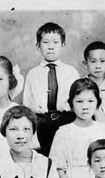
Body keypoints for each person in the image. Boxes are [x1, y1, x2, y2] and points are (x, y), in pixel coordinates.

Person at [23, 22, 79, 156]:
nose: (51, 47)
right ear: (38, 46)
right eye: (46, 42)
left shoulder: (71, 72)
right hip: (42, 125)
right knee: (43, 161)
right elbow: (27, 105)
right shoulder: (33, 74)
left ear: (63, 45)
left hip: (66, 121)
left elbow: (78, 100)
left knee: (65, 157)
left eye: (55, 42)